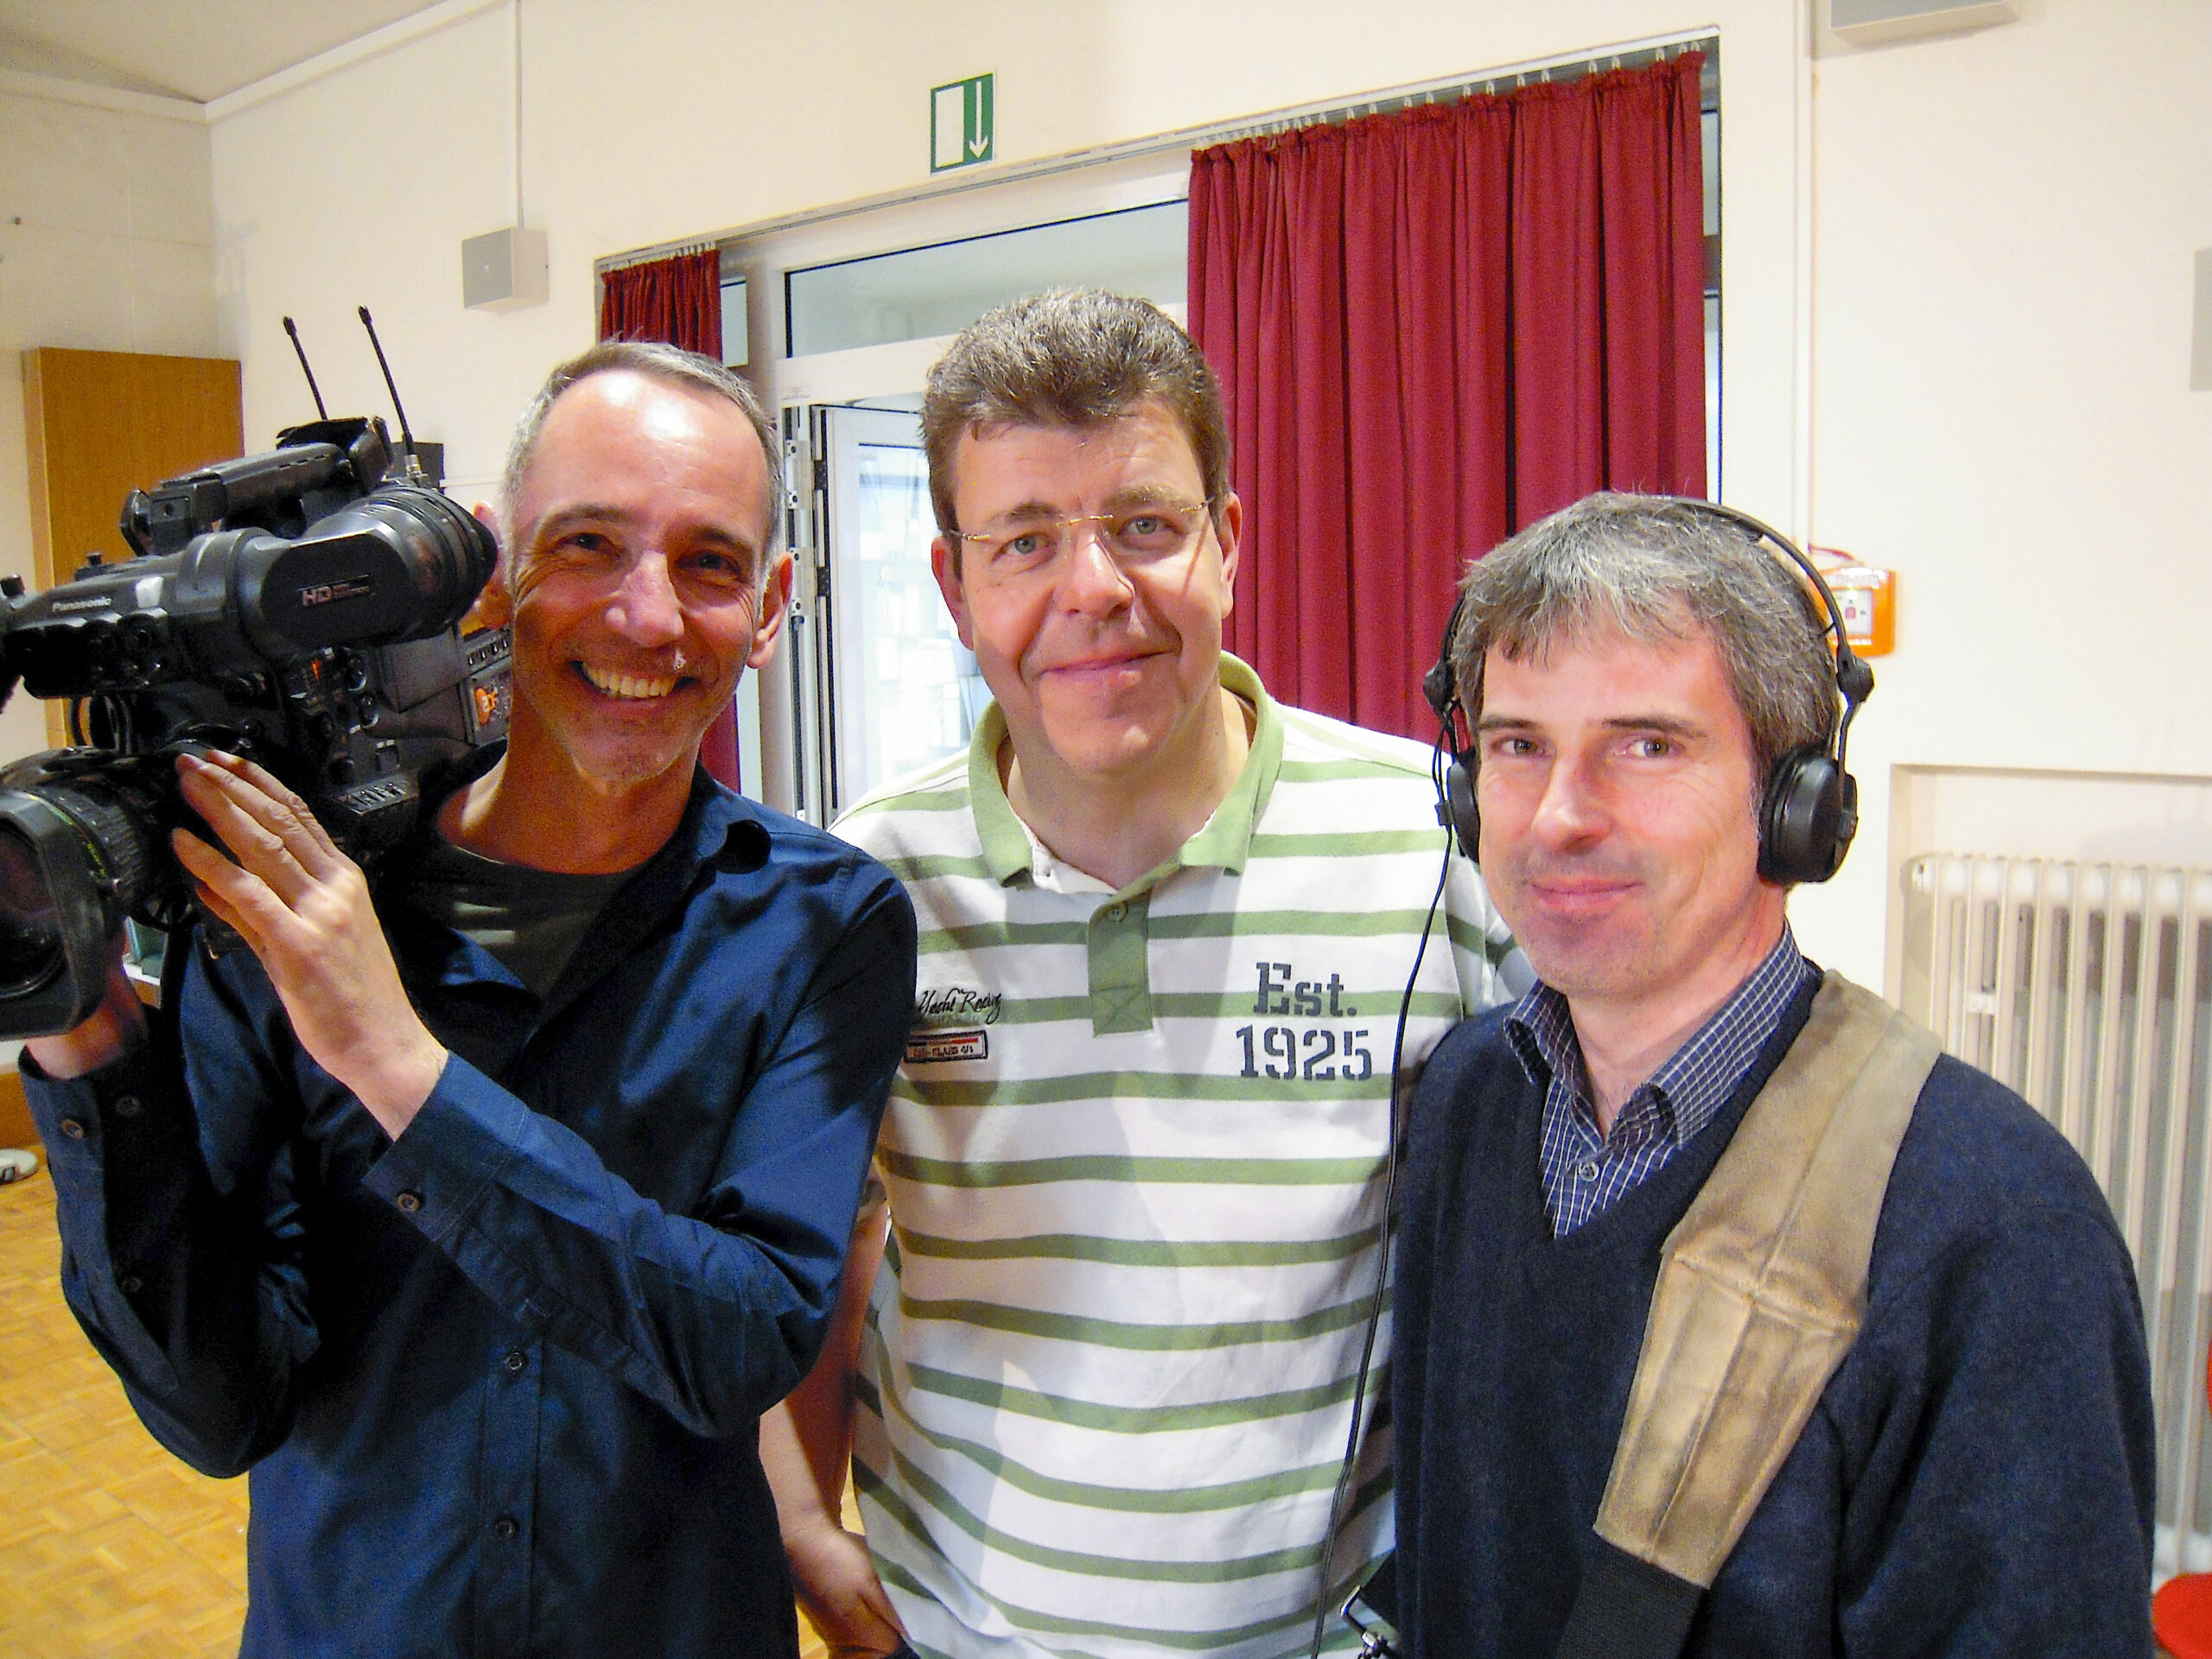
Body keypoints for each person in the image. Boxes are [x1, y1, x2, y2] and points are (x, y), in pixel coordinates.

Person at [20, 340, 918, 1658]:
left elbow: (746, 1341)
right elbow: (217, 1410)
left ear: (773, 604)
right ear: (495, 574)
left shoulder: (818, 925)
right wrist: (80, 1028)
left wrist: (397, 1067)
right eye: (589, 546)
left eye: (709, 564)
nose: (649, 619)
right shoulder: (292, 902)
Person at [763, 289, 1522, 1659]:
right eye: (1025, 541)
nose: (1093, 592)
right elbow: (808, 1245)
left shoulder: (1440, 840)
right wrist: (805, 1526)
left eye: (1144, 526)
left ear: (1230, 541)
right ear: (953, 586)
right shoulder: (854, 888)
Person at [1393, 492, 2155, 1656]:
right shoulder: (1466, 1099)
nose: (1557, 816)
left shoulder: (1994, 1226)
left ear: (1796, 806)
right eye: (1516, 746)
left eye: (1646, 745)